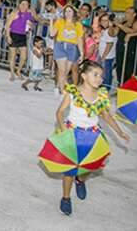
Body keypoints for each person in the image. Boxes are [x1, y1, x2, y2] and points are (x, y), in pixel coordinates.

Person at [51, 61, 130, 216]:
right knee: (69, 170)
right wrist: (63, 128)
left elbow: (105, 115)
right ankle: (66, 198)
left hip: (92, 135)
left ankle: (81, 180)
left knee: (91, 166)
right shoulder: (73, 92)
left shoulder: (101, 95)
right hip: (73, 134)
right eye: (95, 75)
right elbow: (59, 112)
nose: (99, 79)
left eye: (101, 76)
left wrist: (120, 132)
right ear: (83, 76)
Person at [49, 5, 84, 96]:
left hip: (72, 48)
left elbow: (79, 39)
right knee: (61, 70)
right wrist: (51, 21)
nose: (68, 13)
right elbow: (52, 34)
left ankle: (58, 86)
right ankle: (63, 92)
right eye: (66, 11)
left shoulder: (78, 25)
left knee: (65, 72)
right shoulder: (60, 21)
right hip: (60, 46)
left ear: (74, 13)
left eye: (70, 11)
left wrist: (82, 53)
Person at [5, 0, 39, 80]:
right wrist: (8, 36)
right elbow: (7, 26)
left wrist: (32, 22)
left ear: (28, 6)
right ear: (19, 5)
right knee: (12, 56)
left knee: (24, 57)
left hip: (23, 36)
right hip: (13, 35)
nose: (24, 6)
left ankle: (18, 70)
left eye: (26, 5)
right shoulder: (14, 13)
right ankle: (12, 73)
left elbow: (36, 21)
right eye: (22, 4)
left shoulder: (28, 14)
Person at [115, 7, 137, 85]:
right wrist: (113, 25)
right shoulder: (123, 22)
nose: (126, 14)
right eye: (126, 12)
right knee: (120, 68)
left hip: (132, 49)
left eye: (128, 12)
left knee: (129, 69)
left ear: (134, 14)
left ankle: (128, 87)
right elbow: (114, 33)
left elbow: (133, 31)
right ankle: (120, 86)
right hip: (121, 47)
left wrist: (120, 25)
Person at [97, 13, 118, 91]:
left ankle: (106, 89)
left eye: (106, 20)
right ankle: (104, 87)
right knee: (105, 72)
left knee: (106, 73)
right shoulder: (106, 30)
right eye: (102, 20)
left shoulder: (110, 30)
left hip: (107, 56)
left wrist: (103, 57)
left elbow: (110, 44)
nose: (103, 22)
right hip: (104, 55)